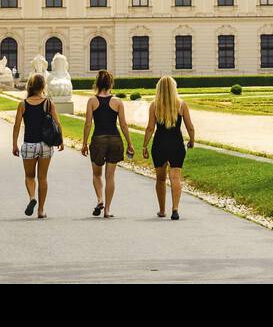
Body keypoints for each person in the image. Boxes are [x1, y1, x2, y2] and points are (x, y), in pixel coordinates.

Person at [142, 76, 196, 220]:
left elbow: (149, 128)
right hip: (176, 144)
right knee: (175, 177)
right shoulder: (181, 105)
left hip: (159, 144)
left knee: (160, 179)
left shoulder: (154, 105)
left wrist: (144, 146)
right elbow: (190, 126)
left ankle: (161, 210)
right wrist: (192, 140)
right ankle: (175, 208)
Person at [82, 70, 134, 217]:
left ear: (97, 84)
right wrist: (129, 143)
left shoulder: (92, 101)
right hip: (114, 140)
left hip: (98, 139)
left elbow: (87, 124)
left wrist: (84, 143)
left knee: (97, 174)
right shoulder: (117, 102)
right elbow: (123, 125)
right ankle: (107, 210)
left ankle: (99, 199)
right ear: (111, 84)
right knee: (110, 176)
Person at [12, 73, 63, 218]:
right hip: (45, 145)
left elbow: (16, 126)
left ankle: (32, 197)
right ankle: (41, 210)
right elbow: (57, 123)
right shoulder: (48, 103)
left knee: (29, 176)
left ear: (30, 86)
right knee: (43, 178)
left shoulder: (23, 104)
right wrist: (61, 140)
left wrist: (14, 144)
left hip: (29, 145)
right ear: (43, 86)